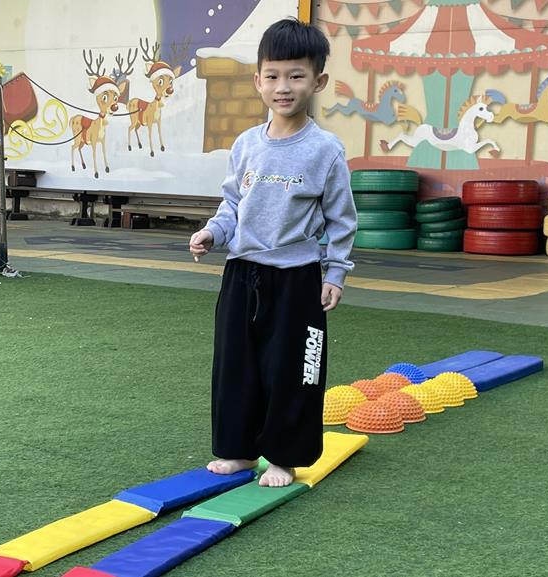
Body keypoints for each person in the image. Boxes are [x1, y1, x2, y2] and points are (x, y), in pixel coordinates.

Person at [188, 18, 357, 488]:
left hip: (297, 278)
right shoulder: (246, 144)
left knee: (294, 370)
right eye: (273, 76)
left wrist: (335, 274)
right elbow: (232, 205)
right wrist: (212, 232)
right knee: (235, 365)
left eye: (296, 76)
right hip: (242, 273)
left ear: (318, 81)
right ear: (258, 80)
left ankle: (284, 457)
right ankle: (238, 451)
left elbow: (342, 220)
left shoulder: (325, 150)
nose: (284, 87)